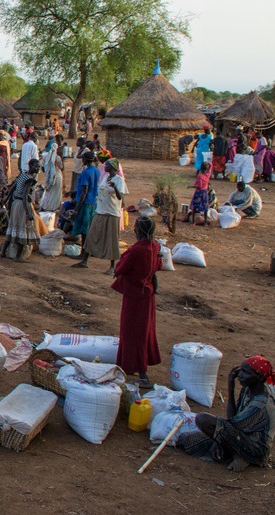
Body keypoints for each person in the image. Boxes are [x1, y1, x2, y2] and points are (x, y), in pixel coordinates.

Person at [177, 356, 275, 472]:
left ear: (259, 377)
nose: (240, 374)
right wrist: (231, 387)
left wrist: (218, 439)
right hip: (240, 436)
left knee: (203, 420)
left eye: (246, 372)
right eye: (241, 370)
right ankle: (234, 453)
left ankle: (241, 456)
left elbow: (232, 424)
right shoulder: (249, 388)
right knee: (185, 440)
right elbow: (233, 419)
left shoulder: (260, 404)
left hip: (255, 450)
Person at [112, 216, 161, 388]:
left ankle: (141, 372)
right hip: (147, 296)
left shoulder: (135, 251)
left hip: (134, 297)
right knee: (144, 331)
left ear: (137, 231)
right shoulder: (154, 247)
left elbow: (120, 268)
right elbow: (158, 265)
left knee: (130, 332)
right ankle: (134, 367)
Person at [75, 158, 127, 274]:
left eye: (107, 164)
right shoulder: (104, 178)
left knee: (112, 240)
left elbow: (121, 198)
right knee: (91, 235)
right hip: (100, 211)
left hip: (112, 213)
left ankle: (112, 266)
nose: (105, 166)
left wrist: (115, 187)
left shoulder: (119, 180)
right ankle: (84, 261)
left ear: (113, 167)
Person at [0, 160, 41, 262]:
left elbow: (13, 187)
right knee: (23, 229)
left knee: (13, 227)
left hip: (15, 204)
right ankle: (18, 256)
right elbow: (25, 195)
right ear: (30, 166)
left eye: (39, 167)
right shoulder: (30, 179)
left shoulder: (23, 174)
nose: (38, 169)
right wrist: (28, 211)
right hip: (22, 205)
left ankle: (3, 251)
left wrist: (6, 198)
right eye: (36, 167)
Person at [69, 150, 100, 240]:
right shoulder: (96, 171)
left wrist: (76, 209)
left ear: (84, 160)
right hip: (93, 202)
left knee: (84, 228)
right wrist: (72, 192)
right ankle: (88, 248)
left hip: (84, 203)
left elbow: (84, 192)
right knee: (89, 226)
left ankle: (84, 251)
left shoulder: (86, 173)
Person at [184, 162, 212, 226]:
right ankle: (205, 223)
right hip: (205, 192)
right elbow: (211, 167)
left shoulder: (200, 176)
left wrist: (192, 186)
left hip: (199, 192)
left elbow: (199, 186)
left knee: (195, 207)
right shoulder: (207, 175)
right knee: (205, 207)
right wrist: (209, 163)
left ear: (201, 169)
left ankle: (193, 222)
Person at [40, 138, 64, 212]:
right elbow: (61, 167)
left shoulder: (45, 157)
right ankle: (55, 207)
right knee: (56, 193)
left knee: (49, 193)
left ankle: (47, 206)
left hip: (49, 177)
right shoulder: (57, 158)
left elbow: (43, 168)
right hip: (57, 176)